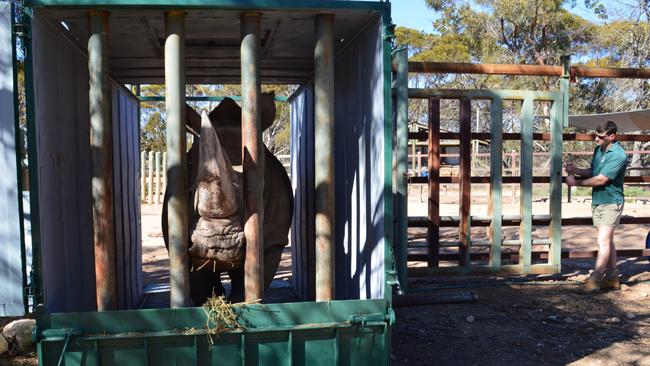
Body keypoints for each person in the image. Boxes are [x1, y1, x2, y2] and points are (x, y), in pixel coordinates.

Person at [565, 120, 628, 293]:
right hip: (599, 201)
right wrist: (576, 169)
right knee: (608, 240)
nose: (596, 139)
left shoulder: (619, 155)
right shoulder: (599, 149)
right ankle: (613, 278)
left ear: (612, 137)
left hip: (611, 202)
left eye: (600, 137)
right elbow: (594, 172)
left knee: (602, 241)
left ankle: (595, 280)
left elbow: (601, 179)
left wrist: (575, 183)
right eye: (595, 135)